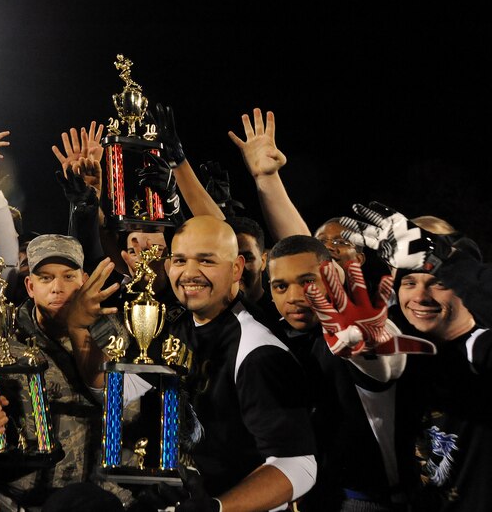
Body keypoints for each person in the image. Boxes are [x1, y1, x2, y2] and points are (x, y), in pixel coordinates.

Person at [132, 215, 317, 512]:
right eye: (180, 260)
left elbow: (298, 466)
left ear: (236, 269)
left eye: (206, 261)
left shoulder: (259, 349)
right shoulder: (174, 327)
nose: (189, 273)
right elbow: (128, 397)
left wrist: (217, 508)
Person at [340, 201, 492, 511]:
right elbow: (314, 276)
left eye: (439, 282)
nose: (420, 297)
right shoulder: (402, 343)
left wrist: (446, 261)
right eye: (409, 282)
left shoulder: (480, 348)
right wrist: (268, 180)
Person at [0, 234, 132, 510]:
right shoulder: (2, 342)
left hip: (102, 499)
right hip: (27, 500)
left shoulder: (116, 332)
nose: (57, 288)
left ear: (85, 280)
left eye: (68, 277)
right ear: (30, 286)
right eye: (46, 278)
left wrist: (80, 331)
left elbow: (126, 408)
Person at [267, 234, 424, 510]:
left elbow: (383, 366)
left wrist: (362, 342)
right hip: (303, 497)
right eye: (281, 286)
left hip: (371, 500)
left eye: (307, 282)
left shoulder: (353, 327)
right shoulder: (270, 336)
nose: (294, 297)